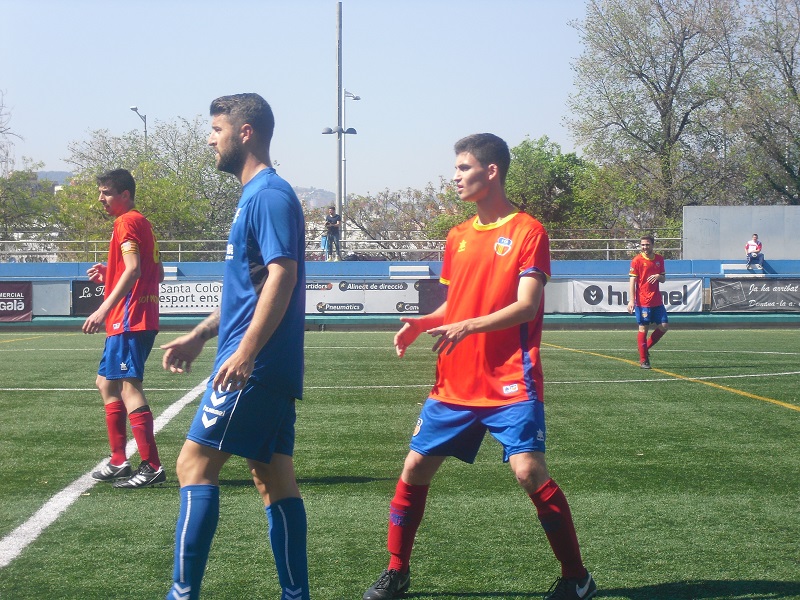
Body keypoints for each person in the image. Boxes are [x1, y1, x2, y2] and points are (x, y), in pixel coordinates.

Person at [362, 134, 596, 600]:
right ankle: (396, 571)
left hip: (510, 378)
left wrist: (467, 325)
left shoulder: (529, 231)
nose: (455, 177)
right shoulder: (458, 236)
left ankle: (577, 577)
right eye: (455, 168)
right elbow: (456, 304)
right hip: (455, 381)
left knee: (529, 472)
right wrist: (422, 323)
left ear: (491, 171)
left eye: (464, 168)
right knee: (414, 469)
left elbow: (527, 306)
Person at [160, 93, 308, 600]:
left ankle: (182, 595)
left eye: (216, 129)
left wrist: (244, 352)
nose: (210, 139)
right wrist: (200, 334)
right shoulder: (255, 196)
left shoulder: (268, 195)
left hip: (254, 367)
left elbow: (282, 276)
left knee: (193, 465)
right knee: (273, 477)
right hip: (263, 365)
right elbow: (249, 289)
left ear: (245, 133)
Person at [84, 168, 166, 489]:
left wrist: (102, 309)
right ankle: (119, 460)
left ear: (125, 195)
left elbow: (133, 270)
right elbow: (155, 273)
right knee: (106, 383)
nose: (100, 199)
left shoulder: (126, 222)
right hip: (133, 316)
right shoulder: (141, 222)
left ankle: (152, 466)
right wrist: (110, 272)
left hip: (129, 318)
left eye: (106, 192)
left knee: (129, 387)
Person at [627, 235, 668, 369]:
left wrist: (658, 276)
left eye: (647, 244)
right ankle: (643, 360)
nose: (645, 247)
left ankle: (644, 348)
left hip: (657, 301)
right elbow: (632, 281)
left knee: (664, 326)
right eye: (643, 245)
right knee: (643, 329)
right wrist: (632, 300)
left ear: (653, 245)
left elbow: (663, 279)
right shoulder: (637, 260)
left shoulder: (659, 259)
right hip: (642, 301)